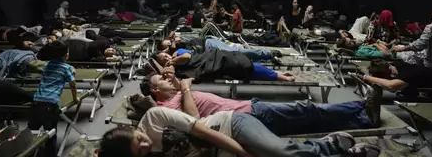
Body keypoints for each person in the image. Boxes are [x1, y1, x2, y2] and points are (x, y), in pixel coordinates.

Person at [97, 102, 379, 157]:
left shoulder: (155, 116)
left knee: (277, 151)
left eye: (140, 139)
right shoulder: (140, 153)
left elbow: (205, 133)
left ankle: (328, 146)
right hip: (222, 151)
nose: (146, 146)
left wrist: (243, 153)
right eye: (140, 151)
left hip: (231, 126)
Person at [141, 73, 378, 136]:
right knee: (306, 110)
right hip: (248, 115)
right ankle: (359, 106)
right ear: (155, 90)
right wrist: (185, 89)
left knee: (306, 122)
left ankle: (364, 119)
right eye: (162, 79)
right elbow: (193, 121)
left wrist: (178, 83)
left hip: (248, 110)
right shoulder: (166, 108)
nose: (168, 78)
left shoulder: (172, 96)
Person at [28, 41, 79, 155]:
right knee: (51, 133)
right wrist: (75, 98)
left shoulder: (47, 64)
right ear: (66, 55)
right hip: (50, 104)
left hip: (36, 100)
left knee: (32, 130)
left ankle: (27, 151)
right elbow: (72, 84)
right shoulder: (66, 68)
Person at [152, 50, 296, 82]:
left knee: (244, 64)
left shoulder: (178, 54)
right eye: (163, 59)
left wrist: (172, 61)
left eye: (165, 55)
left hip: (215, 59)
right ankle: (279, 76)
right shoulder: (173, 69)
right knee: (243, 66)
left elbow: (187, 57)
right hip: (213, 67)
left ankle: (279, 76)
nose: (167, 58)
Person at [158, 32, 274, 62]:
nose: (169, 43)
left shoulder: (177, 44)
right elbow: (172, 50)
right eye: (166, 45)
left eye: (167, 42)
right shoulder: (173, 50)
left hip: (208, 44)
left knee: (237, 51)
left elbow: (175, 45)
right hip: (208, 48)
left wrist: (173, 40)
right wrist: (171, 42)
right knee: (238, 55)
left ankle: (268, 54)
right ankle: (264, 56)